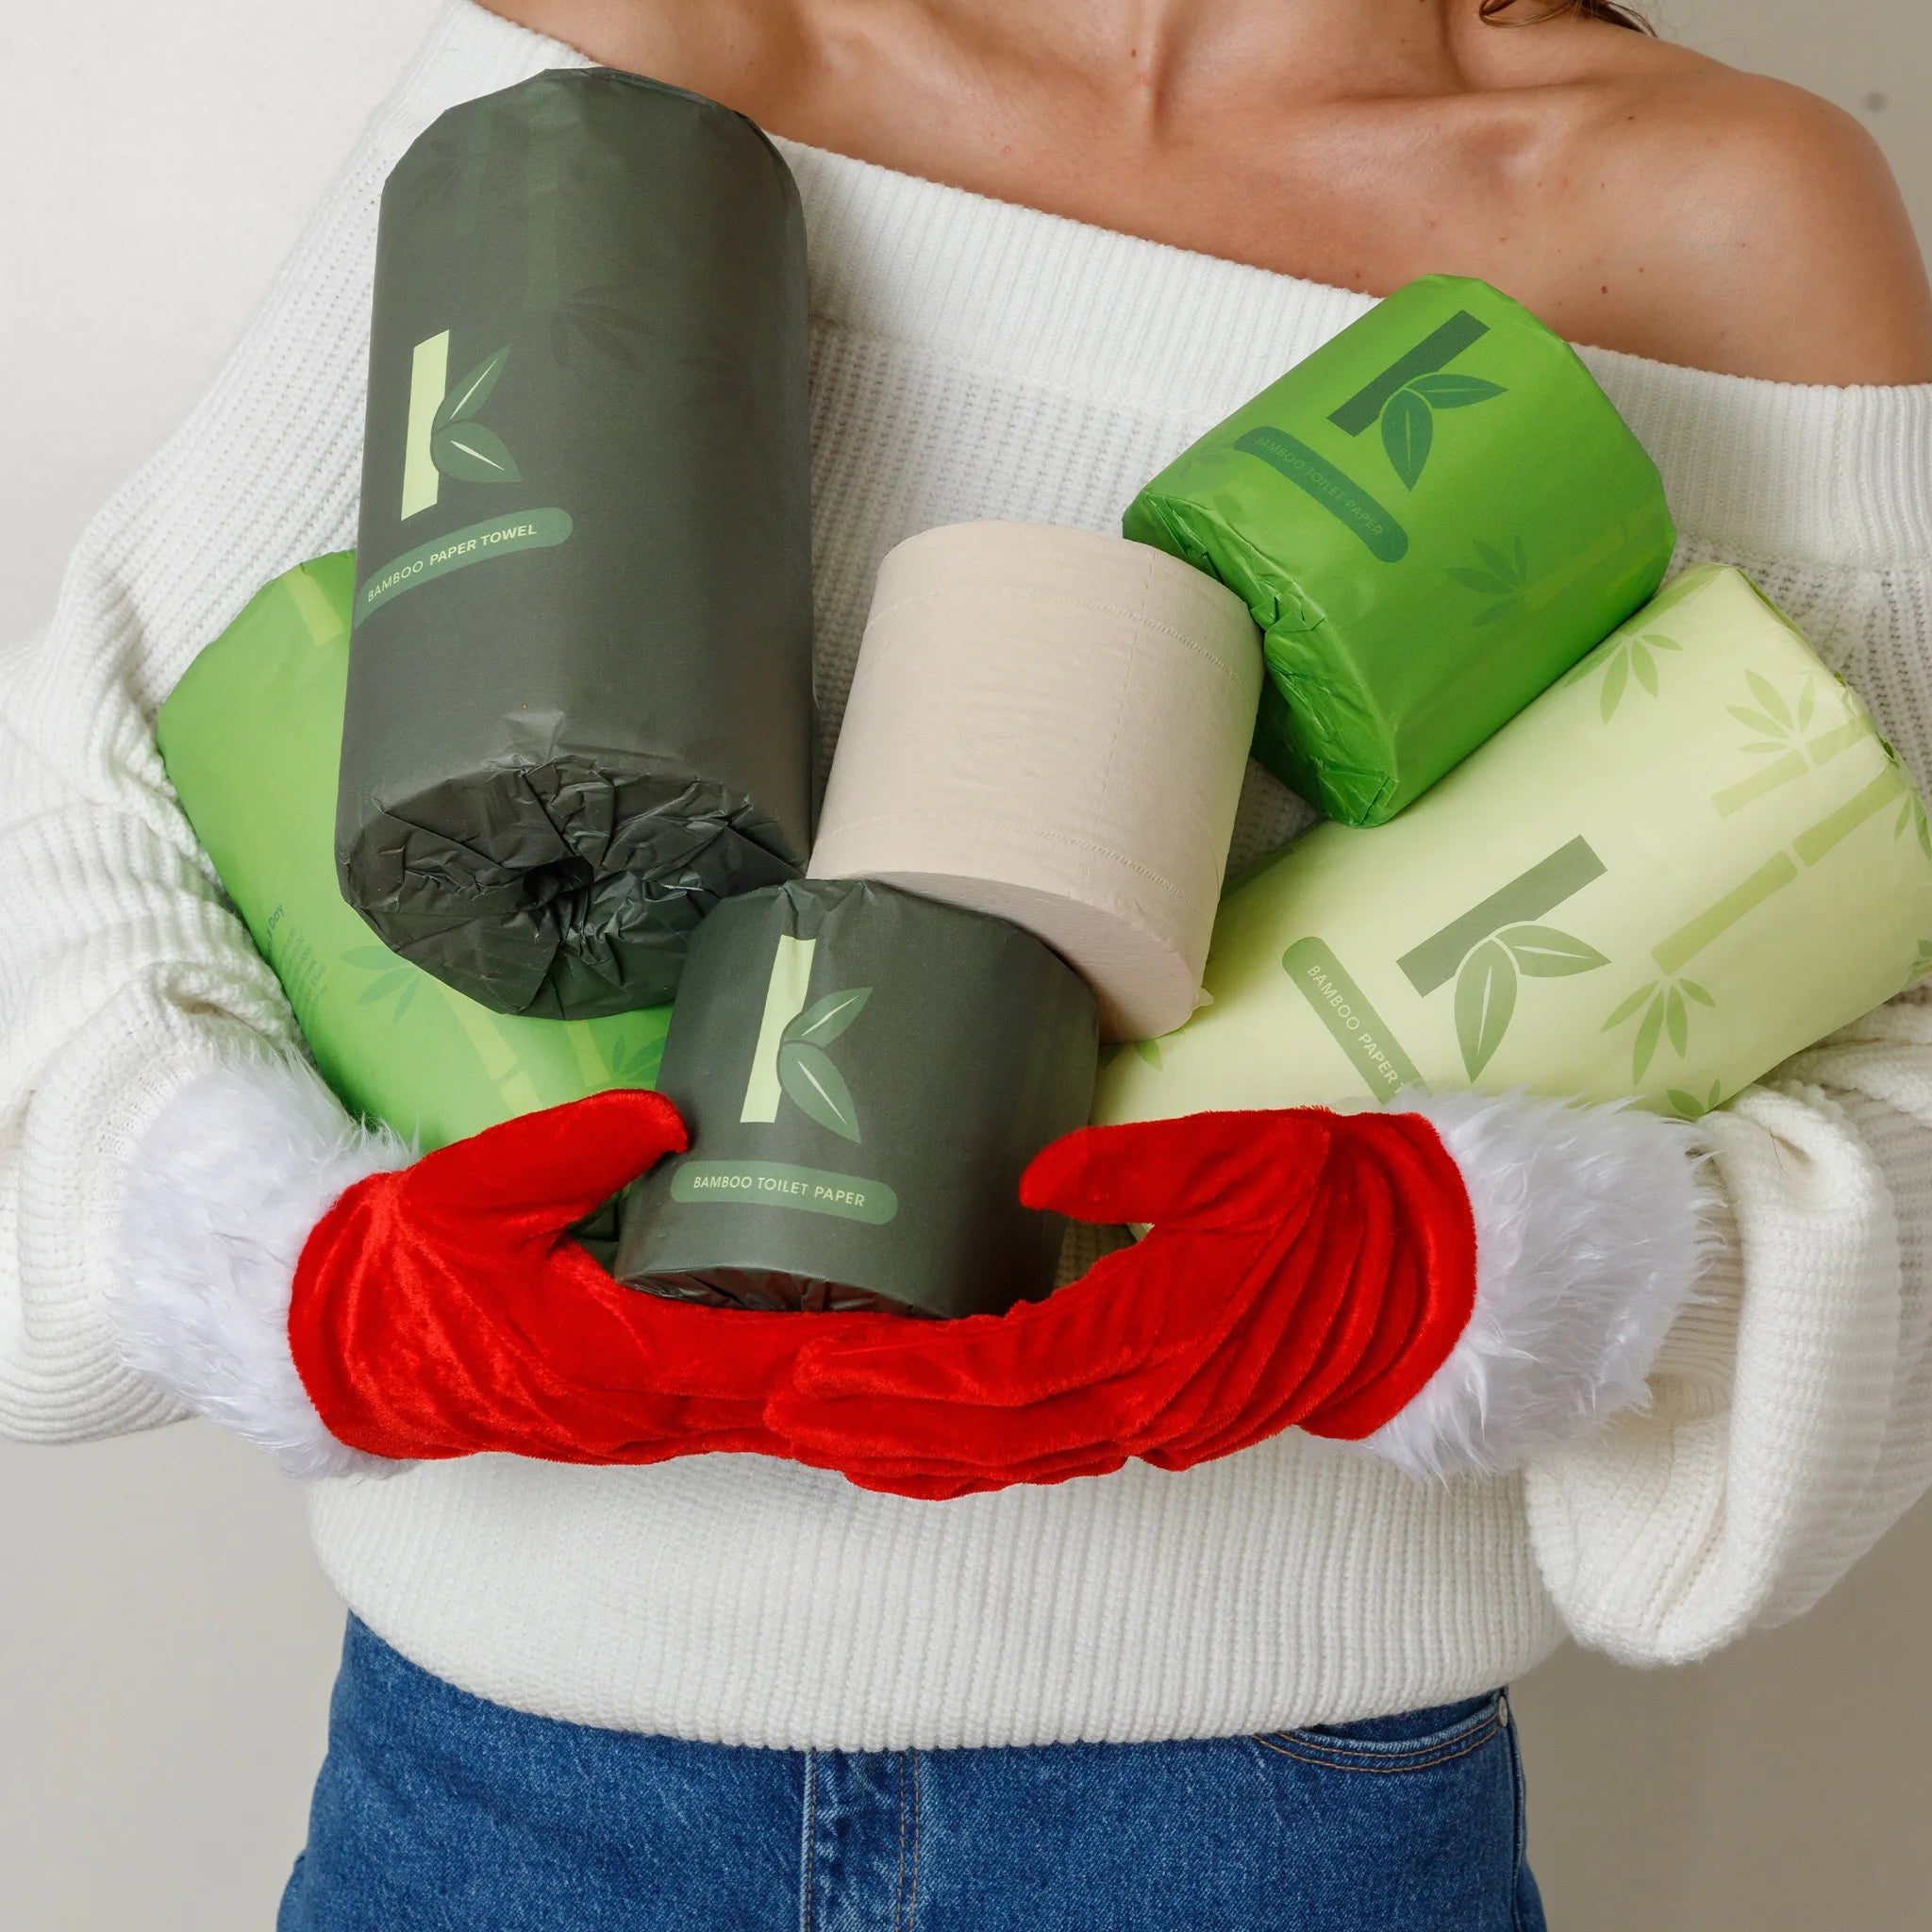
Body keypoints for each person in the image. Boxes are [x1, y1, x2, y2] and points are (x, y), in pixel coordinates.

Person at [6, 1, 1931, 1924]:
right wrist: (299, 1272)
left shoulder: (1715, 215)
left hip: (1266, 1841)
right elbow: (84, 805)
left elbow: (1894, 1005)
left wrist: (1461, 1270)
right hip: (515, 1812)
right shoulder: (635, 63)